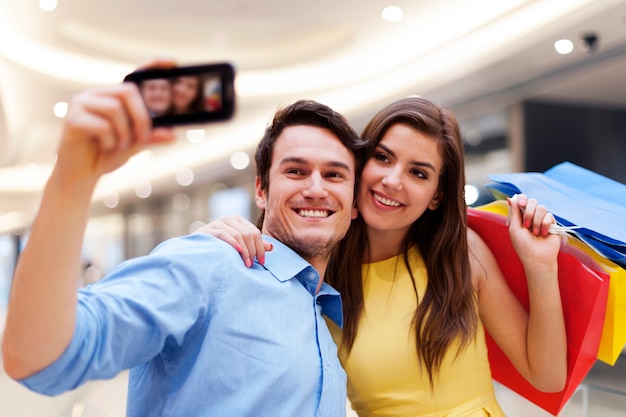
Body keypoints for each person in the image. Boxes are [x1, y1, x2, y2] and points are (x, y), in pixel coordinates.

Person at [1, 59, 367, 416]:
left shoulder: (323, 312)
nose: (316, 189)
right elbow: (40, 358)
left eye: (335, 175)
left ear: (354, 204)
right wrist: (72, 178)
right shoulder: (212, 264)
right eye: (296, 170)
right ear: (261, 189)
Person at [200, 96, 567, 416]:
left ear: (436, 196)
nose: (393, 180)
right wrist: (215, 238)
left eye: (418, 173)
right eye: (383, 157)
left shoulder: (461, 254)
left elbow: (546, 377)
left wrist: (540, 264)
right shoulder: (318, 267)